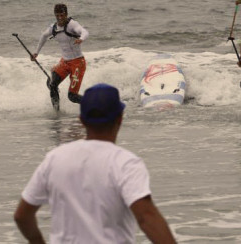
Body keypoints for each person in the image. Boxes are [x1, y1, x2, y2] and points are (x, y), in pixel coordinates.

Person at [14, 83, 177, 244]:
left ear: (82, 120)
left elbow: (22, 216)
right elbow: (146, 217)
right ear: (120, 118)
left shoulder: (55, 158)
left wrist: (37, 241)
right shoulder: (125, 163)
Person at [32, 3, 88, 109]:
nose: (60, 18)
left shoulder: (72, 24)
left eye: (62, 15)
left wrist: (82, 39)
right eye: (57, 15)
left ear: (66, 14)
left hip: (78, 63)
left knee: (72, 96)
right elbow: (44, 36)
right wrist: (36, 52)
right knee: (52, 85)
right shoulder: (54, 28)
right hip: (65, 62)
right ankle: (57, 115)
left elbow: (84, 32)